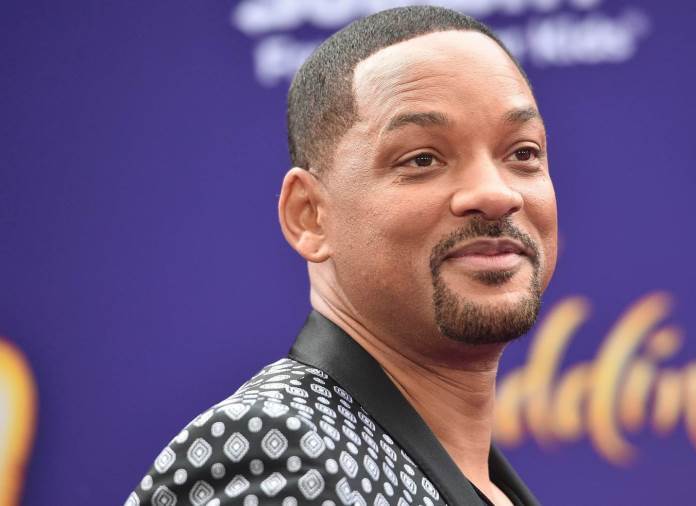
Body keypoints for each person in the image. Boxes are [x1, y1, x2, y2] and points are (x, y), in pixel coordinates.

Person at [127, 5, 556, 506]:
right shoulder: (276, 450)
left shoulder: (487, 482)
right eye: (422, 159)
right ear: (309, 215)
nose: (496, 194)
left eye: (523, 153)